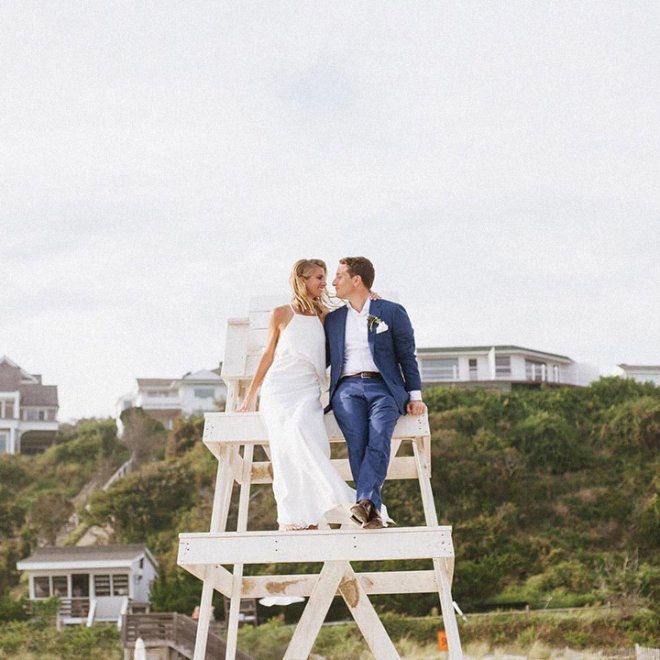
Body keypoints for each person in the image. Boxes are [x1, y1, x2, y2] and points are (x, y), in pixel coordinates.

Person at [236, 259, 355, 530]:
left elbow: (353, 320)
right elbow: (268, 355)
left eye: (325, 277)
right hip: (279, 389)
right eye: (318, 278)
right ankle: (294, 518)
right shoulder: (280, 313)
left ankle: (323, 506)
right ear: (302, 281)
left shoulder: (324, 315)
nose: (324, 283)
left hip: (307, 390)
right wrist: (250, 396)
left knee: (303, 430)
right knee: (283, 447)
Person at [326, 256, 426, 529]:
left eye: (339, 276)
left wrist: (415, 396)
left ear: (356, 280)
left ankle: (366, 506)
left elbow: (407, 356)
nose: (334, 282)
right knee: (357, 441)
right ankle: (371, 506)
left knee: (380, 435)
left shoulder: (392, 312)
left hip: (384, 389)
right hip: (347, 389)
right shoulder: (333, 319)